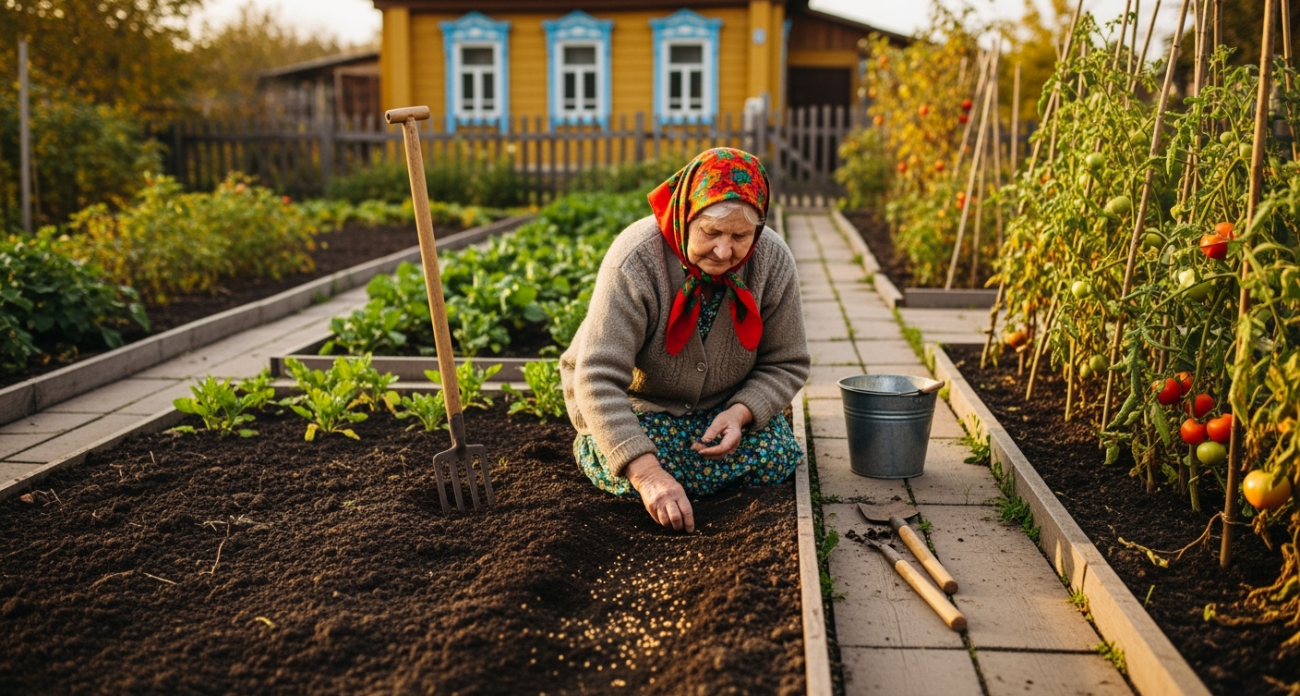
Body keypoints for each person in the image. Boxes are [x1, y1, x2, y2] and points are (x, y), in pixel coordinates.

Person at [560, 147, 810, 533]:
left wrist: (740, 413)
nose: (724, 251)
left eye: (740, 236)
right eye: (710, 232)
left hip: (720, 410)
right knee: (642, 461)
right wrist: (646, 474)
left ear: (757, 229)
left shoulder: (772, 260)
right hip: (642, 407)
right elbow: (595, 377)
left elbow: (786, 363)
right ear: (686, 215)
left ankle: (682, 481)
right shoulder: (637, 260)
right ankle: (653, 477)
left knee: (776, 455)